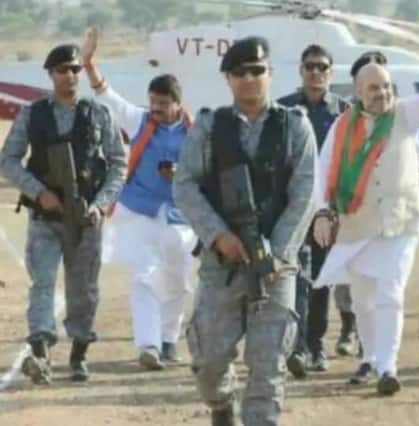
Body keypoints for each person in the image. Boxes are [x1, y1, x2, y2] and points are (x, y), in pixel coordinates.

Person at [312, 22, 419, 396]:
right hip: (356, 223)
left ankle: (387, 367)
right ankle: (369, 358)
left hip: (400, 223)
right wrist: (322, 212)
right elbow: (323, 170)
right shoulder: (341, 126)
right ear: (358, 92)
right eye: (373, 88)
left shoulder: (405, 115)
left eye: (386, 86)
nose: (382, 93)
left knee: (390, 293)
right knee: (363, 299)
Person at [174, 36, 317, 425]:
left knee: (267, 366)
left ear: (271, 73)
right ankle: (221, 405)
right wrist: (218, 236)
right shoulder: (208, 127)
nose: (250, 78)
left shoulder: (294, 126)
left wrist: (277, 252)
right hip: (222, 263)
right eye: (240, 72)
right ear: (228, 78)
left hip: (275, 267)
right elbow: (184, 185)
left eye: (257, 70)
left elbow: (304, 193)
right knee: (208, 362)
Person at [0, 44, 127, 384]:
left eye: (74, 69)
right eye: (62, 70)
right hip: (45, 218)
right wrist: (38, 192)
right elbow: (8, 160)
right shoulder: (33, 114)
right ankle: (40, 350)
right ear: (50, 74)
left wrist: (101, 204)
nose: (69, 76)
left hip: (85, 218)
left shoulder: (98, 114)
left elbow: (118, 163)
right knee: (42, 282)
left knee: (82, 290)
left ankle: (79, 352)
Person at [81, 28, 199, 370]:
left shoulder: (196, 133)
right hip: (140, 212)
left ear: (177, 104)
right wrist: (88, 64)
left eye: (163, 104)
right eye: (153, 103)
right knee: (143, 276)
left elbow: (206, 171)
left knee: (177, 281)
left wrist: (180, 174)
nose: (156, 109)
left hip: (180, 218)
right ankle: (148, 345)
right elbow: (107, 96)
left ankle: (168, 339)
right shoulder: (139, 122)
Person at [278, 44, 350, 376]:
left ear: (331, 72)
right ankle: (296, 346)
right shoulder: (284, 109)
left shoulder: (344, 112)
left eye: (322, 66)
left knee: (321, 278)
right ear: (301, 70)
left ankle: (316, 344)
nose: (316, 72)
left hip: (328, 209)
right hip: (291, 206)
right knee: (294, 276)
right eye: (310, 66)